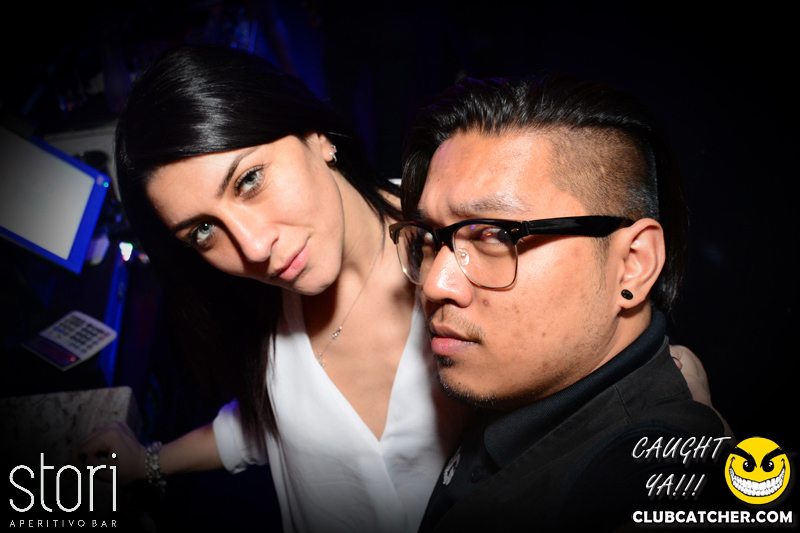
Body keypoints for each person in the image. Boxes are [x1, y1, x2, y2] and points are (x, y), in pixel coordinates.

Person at [77, 46, 720, 533]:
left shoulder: (469, 265)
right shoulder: (265, 300)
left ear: (317, 138)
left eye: (249, 181)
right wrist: (150, 462)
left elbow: (599, 403)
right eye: (202, 231)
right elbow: (267, 423)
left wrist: (669, 400)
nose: (252, 246)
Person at [390, 74, 730, 532]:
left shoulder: (651, 483)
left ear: (633, 263)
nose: (435, 284)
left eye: (494, 235)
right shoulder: (523, 383)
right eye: (432, 239)